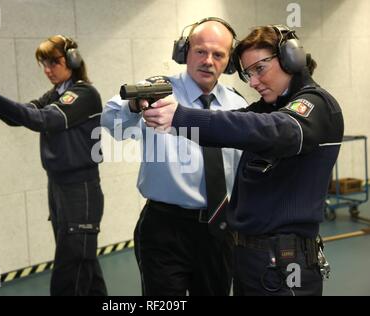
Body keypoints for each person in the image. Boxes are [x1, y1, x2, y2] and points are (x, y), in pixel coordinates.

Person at [143, 25, 344, 296]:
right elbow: (234, 124)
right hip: (249, 260)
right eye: (248, 73)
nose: (253, 82)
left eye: (260, 69)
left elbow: (272, 130)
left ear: (290, 58)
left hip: (284, 265)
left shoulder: (315, 105)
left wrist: (182, 117)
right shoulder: (271, 107)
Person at [101, 18, 248, 296]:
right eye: (200, 51)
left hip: (220, 228)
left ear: (229, 61)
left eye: (218, 55)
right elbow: (110, 121)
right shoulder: (158, 90)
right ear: (184, 52)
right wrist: (134, 105)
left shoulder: (237, 104)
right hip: (165, 228)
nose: (208, 61)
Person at [0, 35, 107, 296]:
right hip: (60, 188)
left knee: (69, 273)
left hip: (80, 188)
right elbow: (22, 116)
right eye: (44, 64)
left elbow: (42, 119)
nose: (48, 70)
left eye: (54, 62)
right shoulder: (56, 94)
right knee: (84, 266)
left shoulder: (84, 94)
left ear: (72, 60)